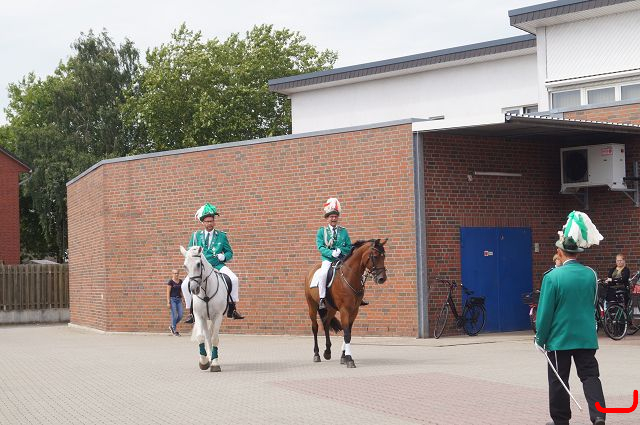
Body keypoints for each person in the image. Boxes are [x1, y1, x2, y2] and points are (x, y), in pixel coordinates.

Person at [535, 211, 606, 425]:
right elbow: (592, 302)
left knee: (559, 380)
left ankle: (561, 420)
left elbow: (545, 312)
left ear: (560, 252)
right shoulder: (591, 274)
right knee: (590, 376)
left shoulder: (552, 277)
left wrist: (540, 338)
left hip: (560, 338)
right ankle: (598, 415)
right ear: (577, 253)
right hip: (585, 336)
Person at [181, 203, 244, 321]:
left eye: (211, 221)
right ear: (203, 223)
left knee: (234, 279)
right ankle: (191, 311)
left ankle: (232, 308)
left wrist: (223, 257)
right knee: (185, 285)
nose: (209, 223)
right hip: (201, 267)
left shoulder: (221, 236)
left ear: (214, 222)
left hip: (217, 264)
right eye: (207, 221)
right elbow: (190, 252)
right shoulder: (195, 236)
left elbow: (229, 252)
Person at [316, 198, 353, 311]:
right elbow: (320, 247)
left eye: (335, 216)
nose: (333, 219)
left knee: (354, 270)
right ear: (327, 218)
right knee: (322, 274)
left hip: (342, 258)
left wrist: (341, 250)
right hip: (328, 259)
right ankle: (322, 298)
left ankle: (358, 296)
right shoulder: (322, 231)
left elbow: (349, 246)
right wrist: (331, 252)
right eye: (331, 216)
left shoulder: (344, 231)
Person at [166, 269, 183, 336]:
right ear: (172, 274)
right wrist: (168, 302)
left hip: (179, 300)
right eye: (175, 273)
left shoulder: (180, 281)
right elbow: (168, 293)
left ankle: (172, 326)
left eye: (177, 273)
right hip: (172, 300)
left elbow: (181, 291)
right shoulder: (170, 282)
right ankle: (174, 330)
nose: (176, 274)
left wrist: (183, 298)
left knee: (180, 315)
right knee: (174, 315)